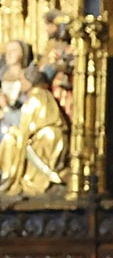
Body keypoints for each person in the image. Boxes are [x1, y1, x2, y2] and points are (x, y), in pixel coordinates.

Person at [0, 66, 67, 197]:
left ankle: (10, 181)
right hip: (50, 136)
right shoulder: (42, 95)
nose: (20, 83)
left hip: (44, 140)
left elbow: (24, 126)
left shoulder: (35, 97)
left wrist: (5, 108)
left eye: (22, 79)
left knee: (9, 139)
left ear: (30, 82)